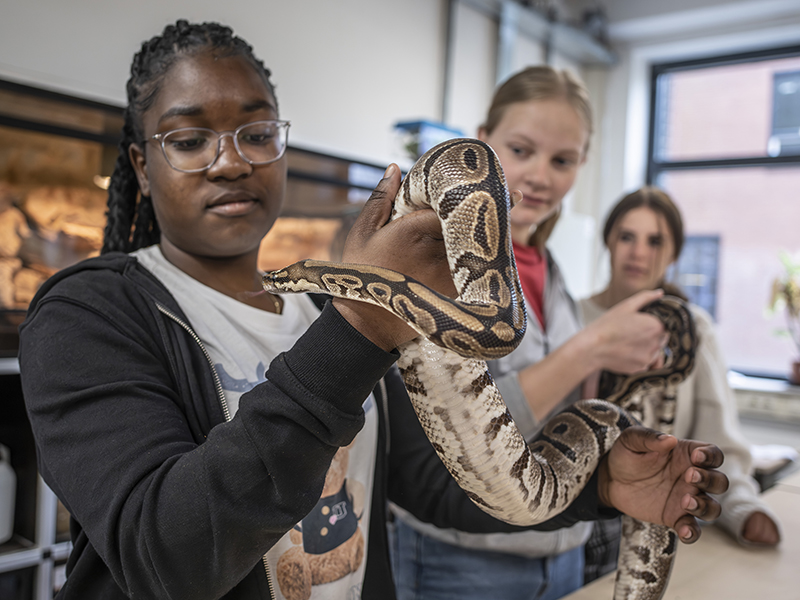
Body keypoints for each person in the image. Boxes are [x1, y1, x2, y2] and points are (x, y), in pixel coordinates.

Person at [18, 22, 728, 600]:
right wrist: (360, 322)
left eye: (257, 134)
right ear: (141, 166)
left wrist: (595, 483)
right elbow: (166, 559)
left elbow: (433, 481)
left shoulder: (320, 308)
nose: (231, 162)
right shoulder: (87, 314)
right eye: (189, 139)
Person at [389, 66, 684, 600]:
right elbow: (452, 426)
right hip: (461, 560)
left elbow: (567, 417)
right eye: (521, 150)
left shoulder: (552, 271)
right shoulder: (436, 263)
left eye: (562, 160)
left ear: (582, 163)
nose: (540, 176)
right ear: (483, 141)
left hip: (563, 549)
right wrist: (590, 348)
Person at [578, 185, 782, 583]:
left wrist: (743, 509)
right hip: (579, 526)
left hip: (661, 522)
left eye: (655, 241)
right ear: (608, 241)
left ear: (674, 254)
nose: (638, 252)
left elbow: (720, 441)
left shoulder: (693, 327)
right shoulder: (573, 317)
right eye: (627, 237)